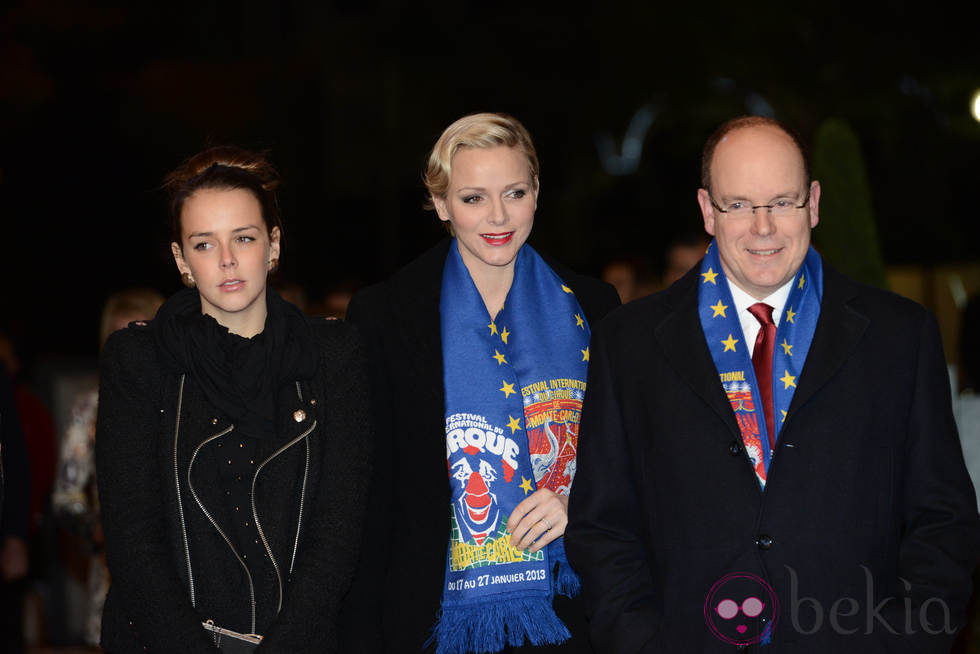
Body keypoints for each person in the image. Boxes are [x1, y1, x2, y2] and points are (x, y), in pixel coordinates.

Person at [566, 116, 980, 652]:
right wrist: (639, 639)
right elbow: (602, 525)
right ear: (707, 210)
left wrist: (906, 639)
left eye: (781, 202)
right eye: (738, 204)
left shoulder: (901, 336)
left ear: (813, 203)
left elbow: (943, 519)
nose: (763, 227)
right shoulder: (628, 342)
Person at [342, 113, 619, 654]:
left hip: (573, 606)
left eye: (514, 192)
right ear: (442, 205)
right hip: (427, 615)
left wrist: (577, 499)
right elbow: (367, 495)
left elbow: (630, 461)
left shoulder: (596, 307)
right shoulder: (383, 316)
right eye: (473, 198)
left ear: (537, 192)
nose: (498, 216)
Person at [95, 146, 373, 652]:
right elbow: (134, 539)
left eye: (243, 238)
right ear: (181, 258)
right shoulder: (139, 361)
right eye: (204, 244)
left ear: (273, 245)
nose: (226, 260)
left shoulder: (333, 356)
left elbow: (337, 535)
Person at [52, 287, 164, 647]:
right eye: (117, 336)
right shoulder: (90, 409)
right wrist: (99, 529)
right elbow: (65, 497)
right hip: (114, 579)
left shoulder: (186, 404)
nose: (129, 346)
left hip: (185, 580)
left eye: (140, 331)